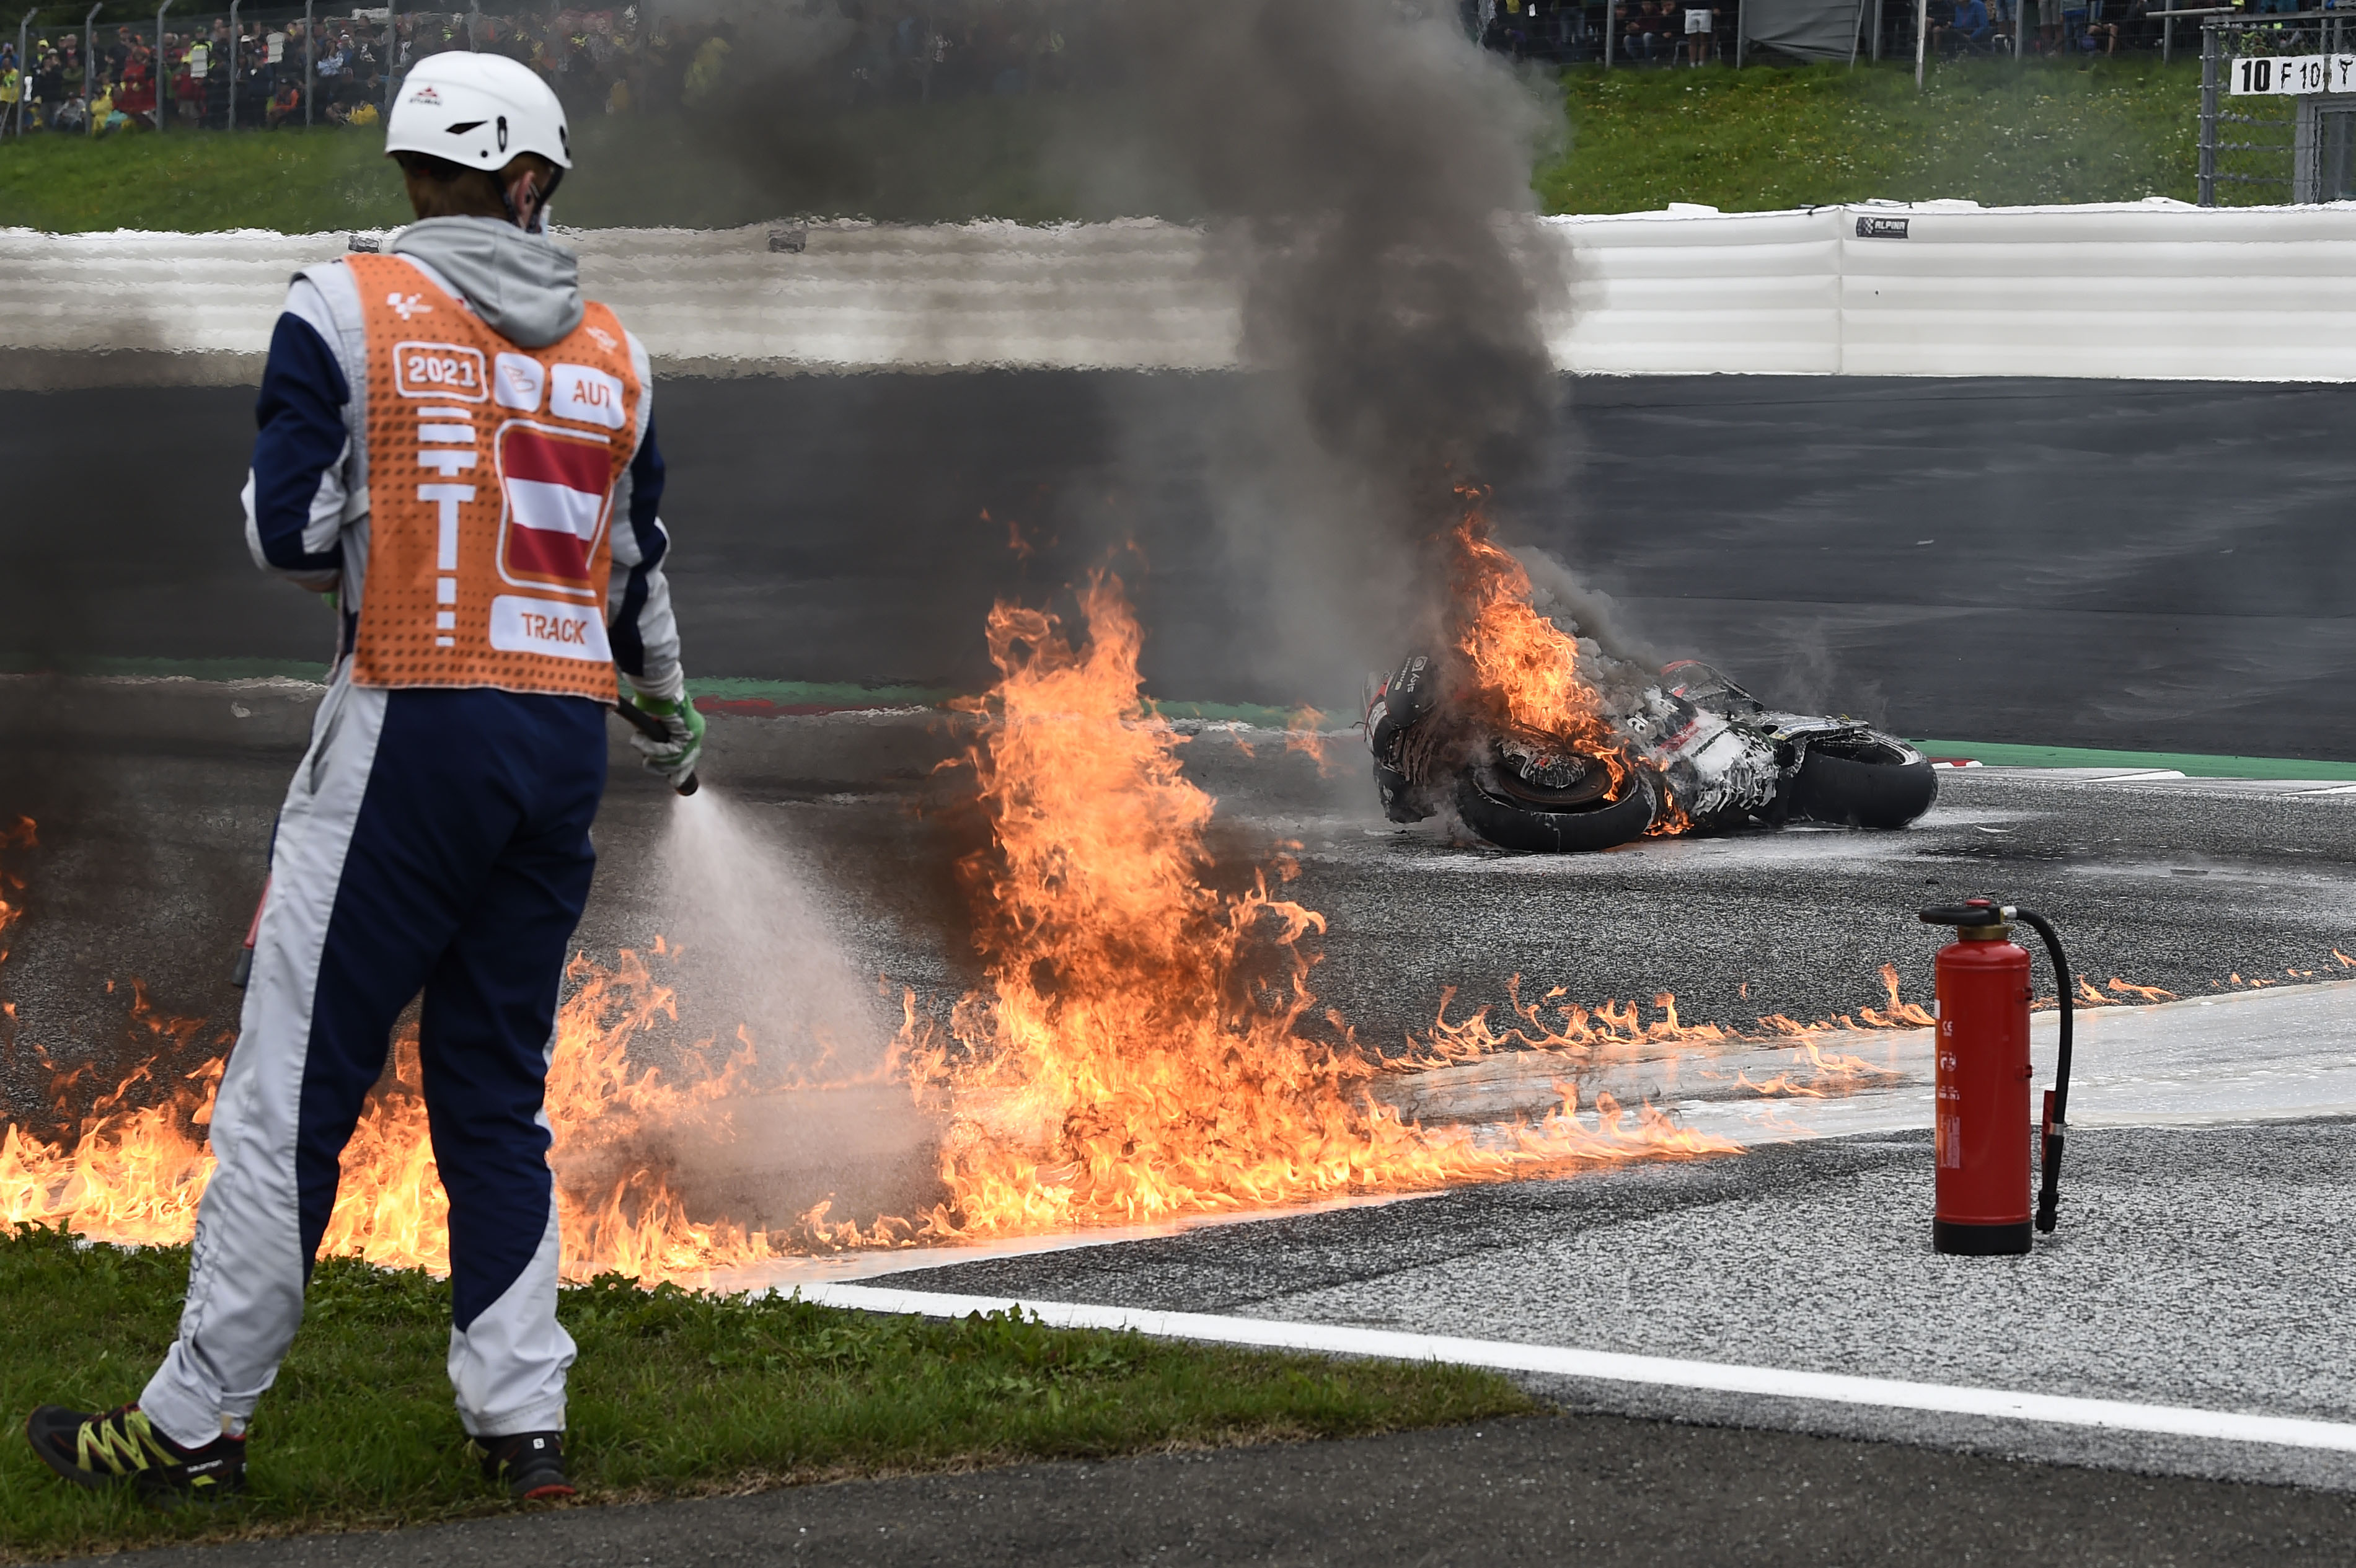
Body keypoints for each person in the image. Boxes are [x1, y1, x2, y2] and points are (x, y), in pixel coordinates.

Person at [22, 49, 704, 1512]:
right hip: (561, 744)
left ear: (416, 172)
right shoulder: (614, 352)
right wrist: (670, 706)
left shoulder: (345, 304)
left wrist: (379, 511)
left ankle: (196, 1421)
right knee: (494, 1094)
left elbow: (285, 535)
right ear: (528, 179)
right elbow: (635, 565)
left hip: (407, 727)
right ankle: (527, 1430)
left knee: (291, 1094)